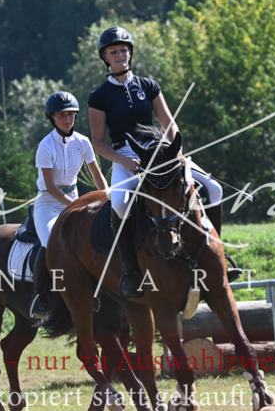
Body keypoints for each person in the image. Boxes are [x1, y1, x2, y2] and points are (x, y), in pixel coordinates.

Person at [88, 25, 238, 298]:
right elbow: (98, 142)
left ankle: (218, 255)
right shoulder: (99, 97)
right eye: (113, 51)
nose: (120, 55)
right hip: (127, 155)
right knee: (120, 204)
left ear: (130, 53)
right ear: (105, 58)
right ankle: (131, 270)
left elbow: (169, 122)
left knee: (214, 189)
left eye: (124, 49)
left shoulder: (148, 85)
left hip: (161, 152)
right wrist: (123, 161)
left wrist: (175, 151)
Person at [29, 91, 107, 319]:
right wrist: (75, 205)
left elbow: (97, 175)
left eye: (71, 114)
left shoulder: (83, 142)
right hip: (49, 203)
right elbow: (52, 187)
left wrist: (105, 197)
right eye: (62, 115)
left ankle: (95, 289)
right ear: (52, 117)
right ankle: (39, 296)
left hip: (74, 198)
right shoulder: (45, 146)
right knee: (50, 240)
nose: (67, 119)